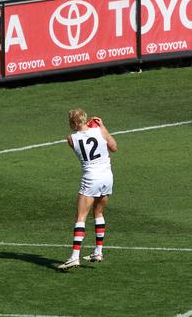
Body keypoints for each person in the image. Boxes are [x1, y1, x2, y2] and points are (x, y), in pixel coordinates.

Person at [58, 109, 118, 270]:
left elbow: (82, 137)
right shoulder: (99, 130)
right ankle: (98, 251)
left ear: (75, 123)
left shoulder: (71, 139)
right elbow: (113, 147)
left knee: (81, 216)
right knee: (98, 213)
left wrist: (91, 127)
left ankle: (74, 257)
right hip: (107, 177)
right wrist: (102, 126)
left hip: (91, 178)